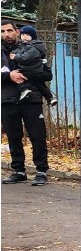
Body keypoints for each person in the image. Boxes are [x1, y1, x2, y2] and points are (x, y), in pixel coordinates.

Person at [1, 20, 50, 186]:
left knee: (37, 135)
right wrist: (9, 76)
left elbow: (47, 75)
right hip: (7, 99)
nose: (6, 34)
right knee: (14, 137)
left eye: (9, 30)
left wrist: (24, 74)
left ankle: (41, 171)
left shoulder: (31, 48)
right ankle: (19, 171)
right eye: (2, 31)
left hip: (31, 98)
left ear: (17, 31)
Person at [12, 25, 57, 107]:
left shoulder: (32, 46)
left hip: (30, 69)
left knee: (20, 77)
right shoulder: (26, 45)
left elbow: (26, 58)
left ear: (32, 37)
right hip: (36, 69)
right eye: (23, 35)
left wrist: (15, 56)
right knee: (40, 84)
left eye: (27, 35)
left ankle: (25, 90)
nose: (24, 37)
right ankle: (50, 97)